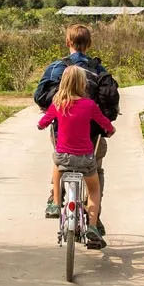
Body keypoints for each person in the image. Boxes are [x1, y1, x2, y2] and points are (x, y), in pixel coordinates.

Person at [33, 23, 117, 209]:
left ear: (67, 42)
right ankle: (94, 214)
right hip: (93, 133)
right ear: (89, 43)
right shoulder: (99, 69)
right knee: (97, 168)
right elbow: (109, 101)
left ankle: (55, 195)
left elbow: (39, 96)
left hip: (62, 130)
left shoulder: (56, 67)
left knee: (60, 155)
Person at [38, 65, 112, 247]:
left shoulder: (57, 103)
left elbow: (42, 123)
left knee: (57, 164)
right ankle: (92, 227)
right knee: (94, 190)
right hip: (85, 159)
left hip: (64, 158)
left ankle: (55, 203)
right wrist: (110, 130)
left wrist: (43, 124)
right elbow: (105, 124)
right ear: (83, 84)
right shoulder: (89, 105)